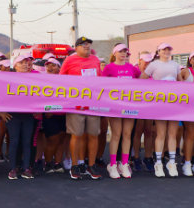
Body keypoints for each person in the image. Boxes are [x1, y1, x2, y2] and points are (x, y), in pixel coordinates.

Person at [59, 36, 104, 180]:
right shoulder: (69, 60)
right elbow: (60, 81)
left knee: (93, 134)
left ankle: (91, 165)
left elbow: (101, 80)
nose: (87, 46)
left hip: (93, 104)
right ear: (76, 47)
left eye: (89, 44)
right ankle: (75, 165)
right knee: (76, 134)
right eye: (83, 44)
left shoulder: (95, 60)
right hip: (76, 104)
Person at [139, 42, 182, 177]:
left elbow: (181, 82)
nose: (166, 51)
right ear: (158, 52)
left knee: (172, 134)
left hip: (174, 103)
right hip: (159, 103)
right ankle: (158, 163)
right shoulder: (154, 64)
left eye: (168, 49)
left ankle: (172, 163)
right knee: (161, 134)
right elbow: (142, 79)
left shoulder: (175, 65)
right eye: (164, 49)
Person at [102, 44, 140, 178]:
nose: (123, 54)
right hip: (115, 106)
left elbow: (143, 84)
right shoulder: (109, 68)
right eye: (120, 51)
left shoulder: (132, 68)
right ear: (114, 54)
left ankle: (124, 163)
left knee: (127, 135)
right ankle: (112, 164)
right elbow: (101, 86)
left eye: (125, 51)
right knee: (116, 134)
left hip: (130, 106)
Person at [1, 53, 38, 179]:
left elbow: (43, 95)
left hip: (28, 115)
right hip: (13, 115)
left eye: (26, 62)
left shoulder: (35, 79)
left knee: (27, 142)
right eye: (21, 62)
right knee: (14, 141)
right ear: (15, 66)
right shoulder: (8, 79)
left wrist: (39, 108)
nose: (25, 64)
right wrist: (1, 111)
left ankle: (26, 168)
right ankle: (12, 169)